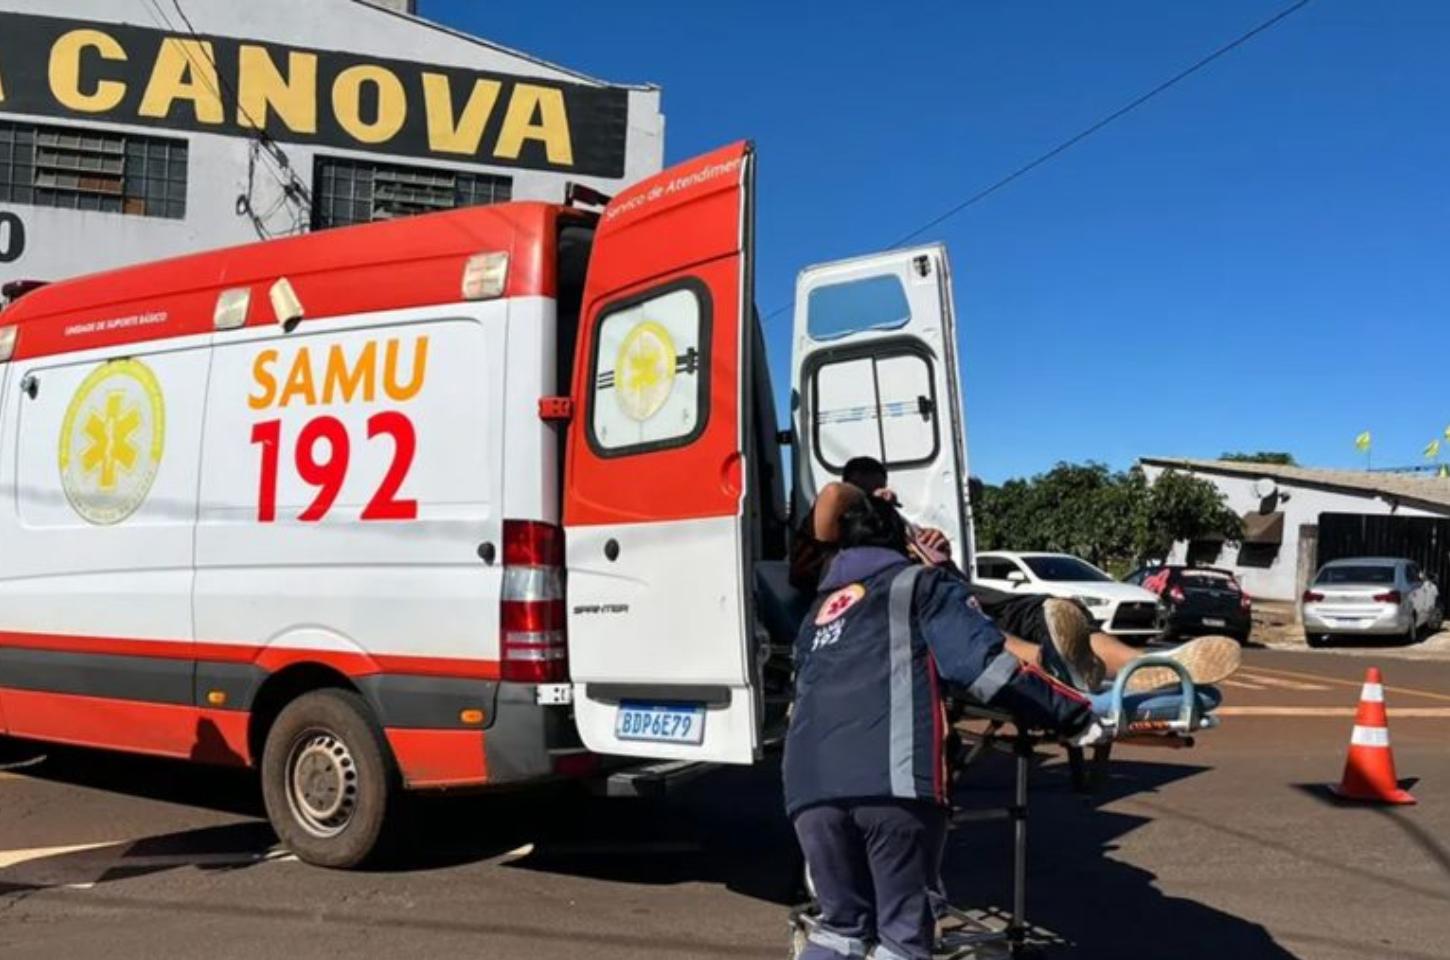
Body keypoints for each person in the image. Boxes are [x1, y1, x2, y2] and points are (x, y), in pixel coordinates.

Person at [785, 496, 1104, 960]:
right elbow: (986, 669)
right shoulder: (921, 584)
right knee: (901, 938)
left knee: (840, 929)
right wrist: (1075, 716)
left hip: (808, 792)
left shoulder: (816, 613)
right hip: (891, 785)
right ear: (902, 541)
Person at [789, 458, 1241, 694]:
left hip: (948, 589)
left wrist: (935, 551)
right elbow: (832, 494)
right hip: (911, 609)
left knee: (1052, 611)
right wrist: (868, 496)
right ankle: (1062, 673)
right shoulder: (830, 535)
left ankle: (1149, 666)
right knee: (976, 628)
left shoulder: (893, 528)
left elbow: (947, 575)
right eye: (868, 488)